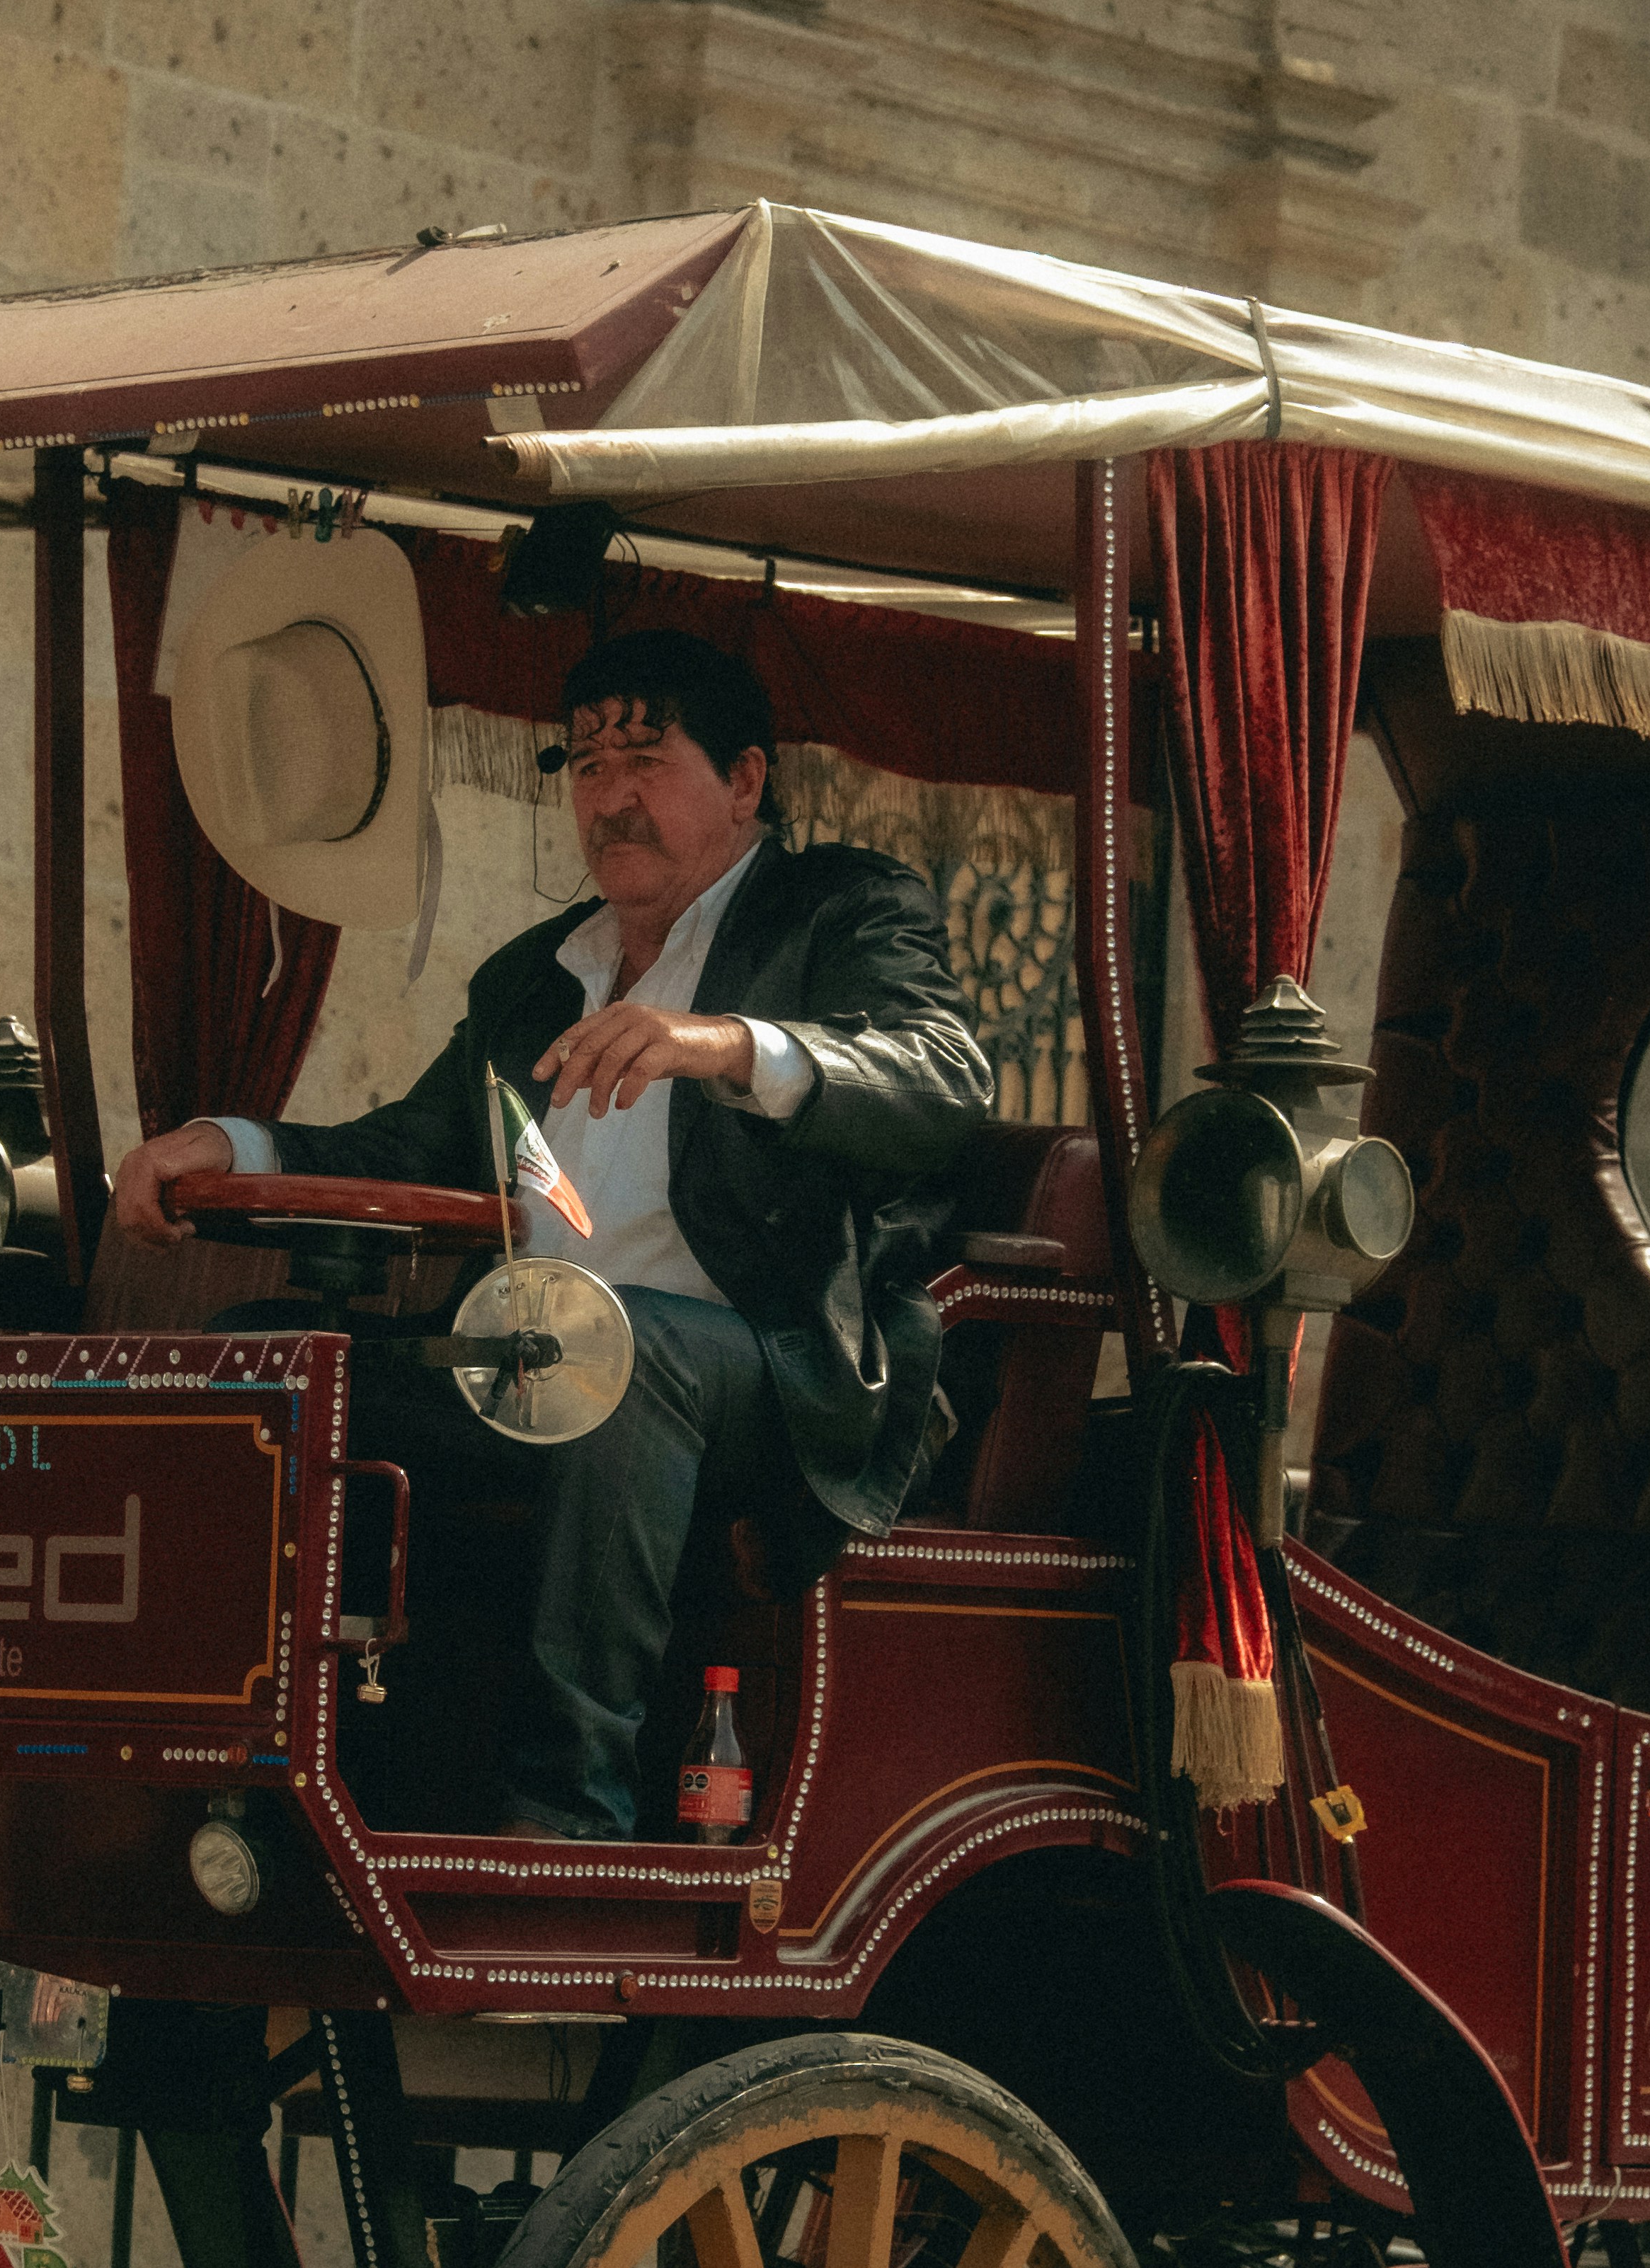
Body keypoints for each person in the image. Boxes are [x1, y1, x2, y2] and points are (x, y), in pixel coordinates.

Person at [112, 630, 992, 1835]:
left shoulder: (842, 908)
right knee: (262, 1360)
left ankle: (566, 1811)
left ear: (744, 779)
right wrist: (234, 1144)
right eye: (584, 765)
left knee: (616, 1353)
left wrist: (725, 1044)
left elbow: (942, 1079)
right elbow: (413, 1145)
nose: (609, 796)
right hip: (524, 1358)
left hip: (772, 1372)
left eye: (644, 758)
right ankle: (268, 1774)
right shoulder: (538, 972)